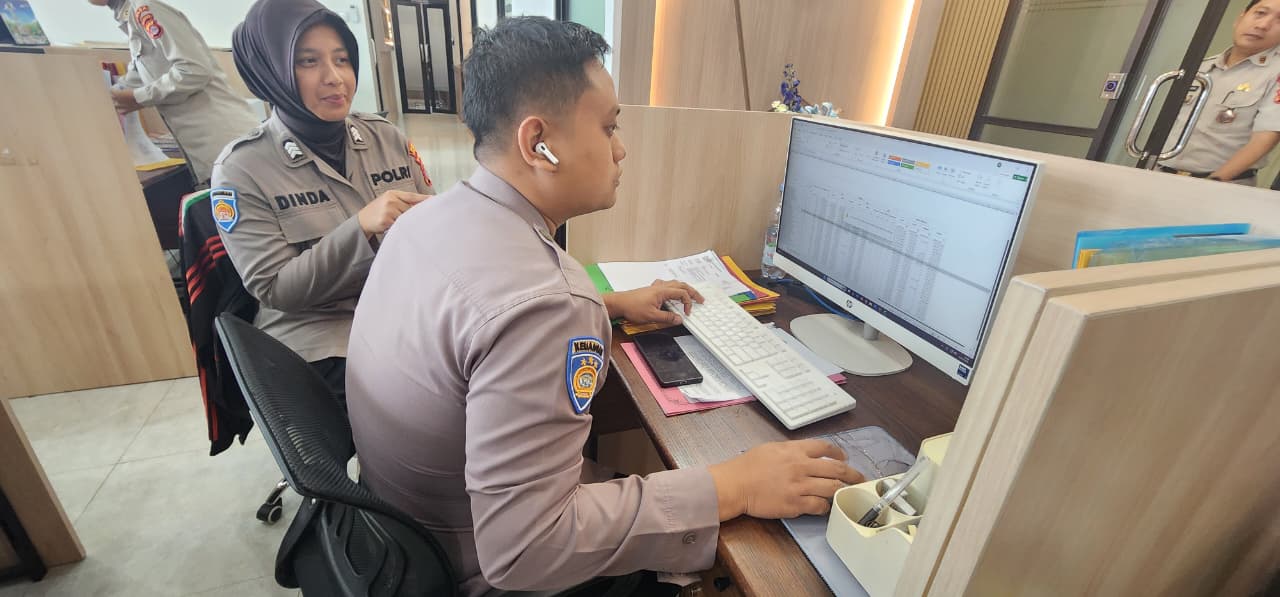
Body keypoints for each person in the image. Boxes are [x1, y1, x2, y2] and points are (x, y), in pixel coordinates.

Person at [345, 17, 863, 596]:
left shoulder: (425, 218)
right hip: (474, 566)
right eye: (608, 126)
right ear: (537, 143)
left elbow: (479, 321)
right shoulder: (548, 306)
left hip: (399, 533)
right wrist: (735, 485)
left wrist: (608, 301)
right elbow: (527, 549)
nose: (621, 149)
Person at [213, 0, 433, 401]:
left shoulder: (385, 137)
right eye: (309, 62)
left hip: (405, 312)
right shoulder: (242, 169)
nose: (335, 78)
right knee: (429, 409)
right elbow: (276, 289)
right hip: (323, 338)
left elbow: (433, 230)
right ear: (271, 70)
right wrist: (360, 228)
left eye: (342, 59)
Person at [91, 0, 261, 184]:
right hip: (213, 152)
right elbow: (137, 75)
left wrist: (139, 97)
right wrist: (105, 95)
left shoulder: (145, 9)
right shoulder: (130, 16)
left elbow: (194, 70)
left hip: (227, 145)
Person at [1158, 0, 1280, 186]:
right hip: (1161, 173)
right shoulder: (1201, 67)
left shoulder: (1275, 74)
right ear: (1241, 17)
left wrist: (1214, 182)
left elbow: (1265, 139)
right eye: (1260, 13)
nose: (1263, 25)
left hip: (1221, 184)